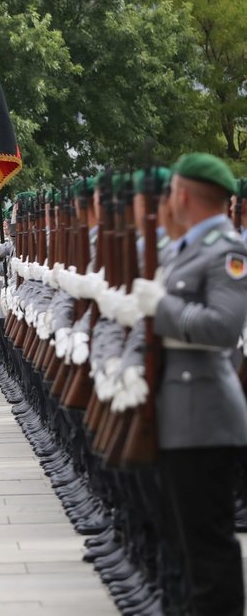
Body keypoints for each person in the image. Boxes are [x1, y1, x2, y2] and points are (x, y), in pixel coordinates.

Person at [127, 153, 247, 616]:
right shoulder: (187, 248)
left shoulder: (226, 251)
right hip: (179, 415)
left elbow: (222, 326)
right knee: (184, 543)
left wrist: (162, 308)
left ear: (180, 194)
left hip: (205, 418)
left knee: (208, 552)